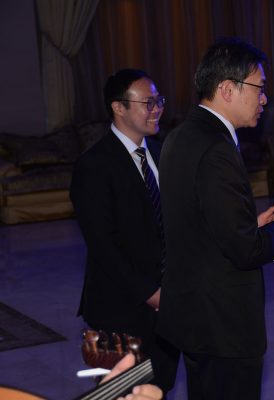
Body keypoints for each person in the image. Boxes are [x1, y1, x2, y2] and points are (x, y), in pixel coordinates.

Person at [156, 37, 274, 400]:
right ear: (227, 89)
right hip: (223, 323)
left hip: (195, 314)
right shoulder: (216, 147)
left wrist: (251, 225)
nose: (264, 99)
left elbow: (199, 221)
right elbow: (244, 251)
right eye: (259, 88)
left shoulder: (181, 135)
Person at [70, 69, 179, 396]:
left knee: (159, 388)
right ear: (119, 107)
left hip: (169, 304)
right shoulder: (94, 165)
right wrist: (151, 293)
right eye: (148, 103)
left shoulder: (162, 151)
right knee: (120, 392)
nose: (157, 109)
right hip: (118, 309)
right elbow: (103, 246)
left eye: (159, 101)